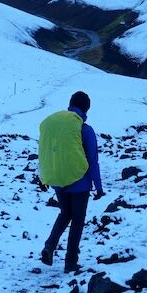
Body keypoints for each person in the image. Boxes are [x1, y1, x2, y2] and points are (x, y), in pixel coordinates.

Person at [37, 91, 104, 271]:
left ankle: (49, 246)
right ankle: (71, 262)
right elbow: (92, 161)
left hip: (57, 179)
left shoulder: (58, 126)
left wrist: (43, 177)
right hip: (79, 182)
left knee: (65, 213)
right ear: (87, 108)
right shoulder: (85, 130)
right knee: (77, 220)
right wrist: (98, 187)